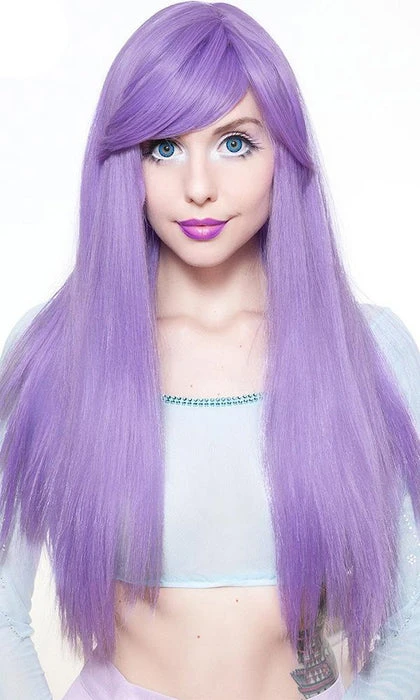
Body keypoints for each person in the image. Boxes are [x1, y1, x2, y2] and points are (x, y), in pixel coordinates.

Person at [0, 2, 419, 698]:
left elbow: (414, 617)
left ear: (284, 153)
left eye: (235, 143)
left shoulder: (369, 353)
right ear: (123, 162)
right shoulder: (58, 355)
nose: (198, 187)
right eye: (163, 148)